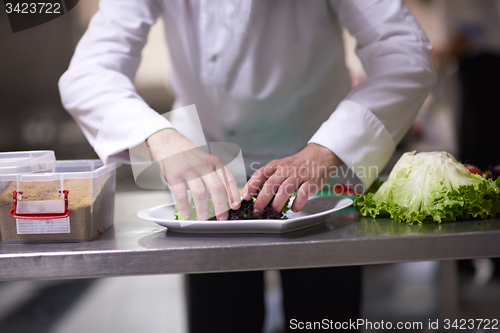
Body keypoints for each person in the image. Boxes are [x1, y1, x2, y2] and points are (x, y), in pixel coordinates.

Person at [59, 0, 436, 331]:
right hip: (208, 178)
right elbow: (89, 73)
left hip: (319, 172)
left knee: (324, 313)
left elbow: (405, 53)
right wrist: (161, 137)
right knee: (222, 317)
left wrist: (326, 149)